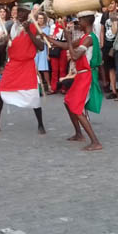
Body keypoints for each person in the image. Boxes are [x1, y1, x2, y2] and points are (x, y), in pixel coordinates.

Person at [45, 11, 102, 150]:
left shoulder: (89, 38)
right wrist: (46, 38)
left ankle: (95, 142)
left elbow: (75, 56)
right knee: (68, 102)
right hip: (81, 75)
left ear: (86, 22)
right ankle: (78, 134)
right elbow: (65, 46)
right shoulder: (85, 37)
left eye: (79, 21)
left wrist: (69, 39)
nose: (77, 24)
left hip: (86, 76)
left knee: (76, 108)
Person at [0, 5, 47, 135]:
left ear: (28, 14)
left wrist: (28, 32)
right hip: (13, 65)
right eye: (17, 12)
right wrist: (4, 41)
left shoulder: (33, 27)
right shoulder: (9, 27)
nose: (19, 15)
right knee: (0, 93)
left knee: (33, 96)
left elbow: (41, 47)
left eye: (22, 13)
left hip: (27, 65)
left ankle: (41, 124)